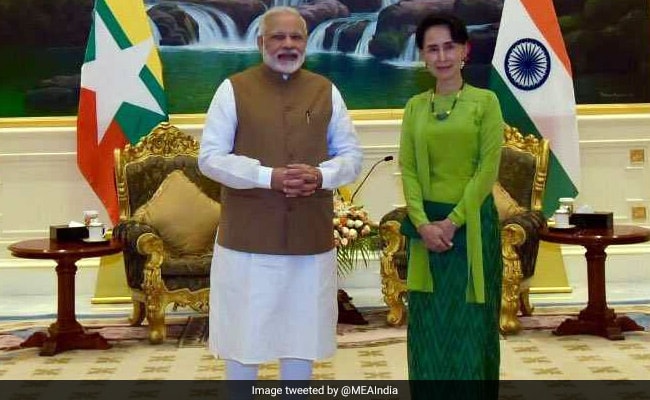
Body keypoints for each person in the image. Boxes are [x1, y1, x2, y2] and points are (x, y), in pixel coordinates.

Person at [198, 6, 363, 382]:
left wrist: (321, 176)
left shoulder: (326, 90)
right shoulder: (233, 89)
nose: (288, 45)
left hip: (309, 239)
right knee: (244, 339)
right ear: (261, 42)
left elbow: (351, 156)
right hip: (249, 243)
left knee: (301, 338)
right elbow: (209, 159)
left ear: (306, 42)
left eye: (296, 37)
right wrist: (266, 176)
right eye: (278, 36)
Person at [399, 12, 504, 391]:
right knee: (430, 328)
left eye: (449, 47)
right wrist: (423, 223)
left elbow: (487, 171)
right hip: (426, 232)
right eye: (432, 49)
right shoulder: (414, 107)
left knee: (471, 326)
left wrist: (452, 222)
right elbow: (408, 170)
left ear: (464, 50)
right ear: (423, 56)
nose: (441, 56)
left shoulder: (486, 102)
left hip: (472, 227)